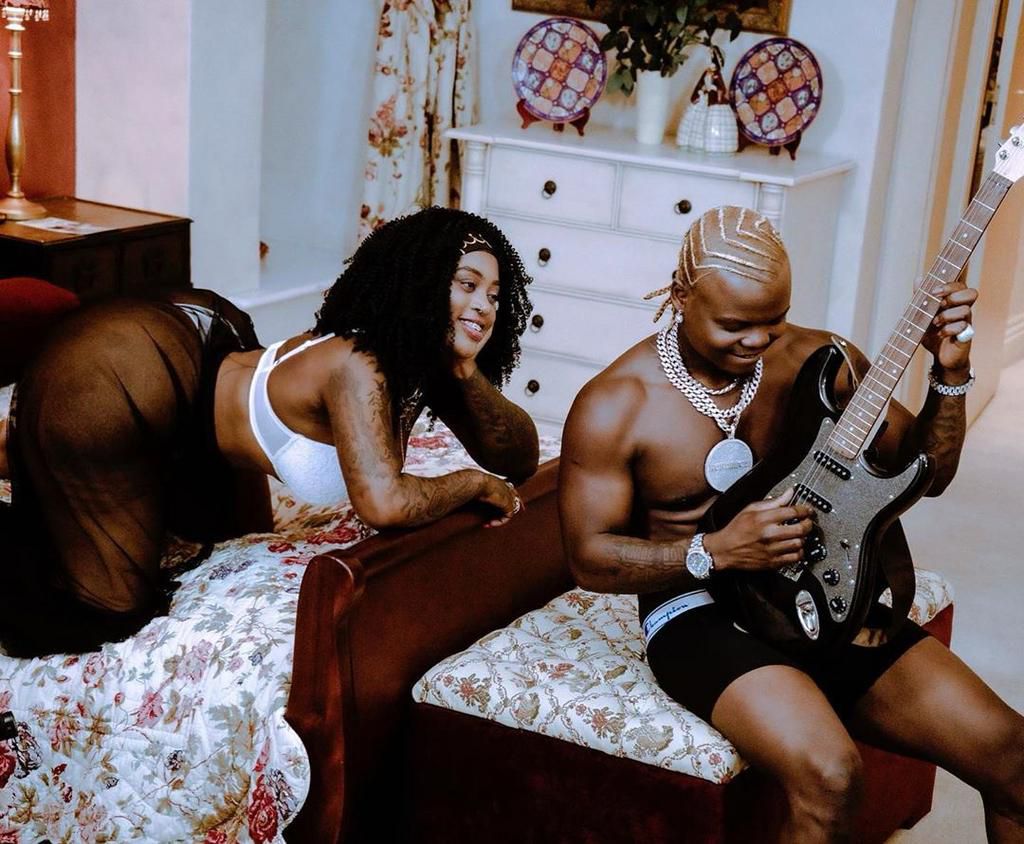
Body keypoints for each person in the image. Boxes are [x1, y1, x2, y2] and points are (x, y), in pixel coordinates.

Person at [559, 205, 1024, 842]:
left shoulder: (822, 360)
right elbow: (588, 559)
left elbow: (930, 475)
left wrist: (949, 374)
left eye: (772, 320)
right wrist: (715, 551)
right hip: (696, 609)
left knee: (1013, 756)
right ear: (681, 296)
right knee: (832, 778)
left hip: (822, 589)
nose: (757, 341)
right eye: (734, 325)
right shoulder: (617, 404)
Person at [0, 206, 539, 658]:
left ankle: (16, 447)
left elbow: (518, 458)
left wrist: (465, 370)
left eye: (494, 295)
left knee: (222, 534)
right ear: (421, 283)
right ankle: (15, 445)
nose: (484, 306)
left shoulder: (420, 361)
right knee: (109, 606)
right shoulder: (360, 364)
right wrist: (473, 483)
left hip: (206, 399)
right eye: (467, 285)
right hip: (119, 376)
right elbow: (384, 503)